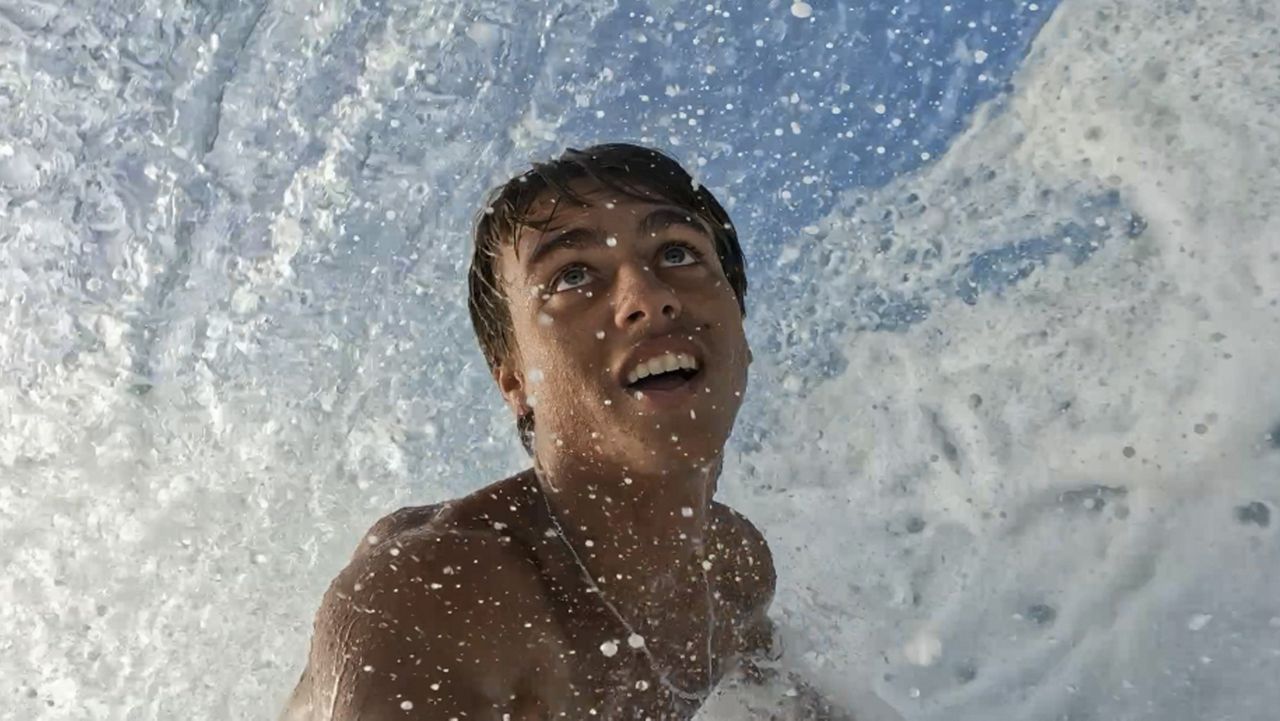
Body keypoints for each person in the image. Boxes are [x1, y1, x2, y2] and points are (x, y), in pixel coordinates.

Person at [281, 144, 820, 720]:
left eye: (679, 254)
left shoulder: (730, 568)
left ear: (740, 332)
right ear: (515, 381)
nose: (649, 297)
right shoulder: (442, 596)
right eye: (574, 274)